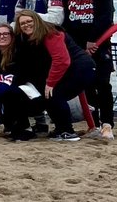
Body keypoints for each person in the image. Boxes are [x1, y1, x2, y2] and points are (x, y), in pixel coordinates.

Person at [12, 10, 95, 142]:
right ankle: (60, 128)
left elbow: (62, 60)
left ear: (37, 21)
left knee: (55, 94)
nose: (26, 25)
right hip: (69, 69)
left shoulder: (51, 33)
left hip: (81, 68)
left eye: (29, 21)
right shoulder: (27, 40)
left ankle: (67, 131)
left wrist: (50, 82)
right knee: (49, 95)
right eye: (22, 23)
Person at [62, 0, 117, 140]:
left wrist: (93, 40)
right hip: (77, 49)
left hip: (100, 47)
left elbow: (106, 17)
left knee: (103, 85)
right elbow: (65, 22)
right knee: (86, 87)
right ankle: (92, 124)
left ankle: (107, 124)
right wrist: (73, 46)